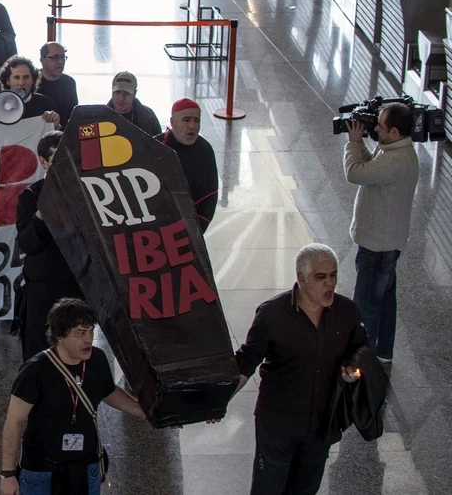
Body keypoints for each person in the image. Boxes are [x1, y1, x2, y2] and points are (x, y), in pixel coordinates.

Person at [234, 243, 368, 495]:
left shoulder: (347, 312)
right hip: (278, 424)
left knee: (306, 489)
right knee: (268, 488)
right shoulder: (272, 315)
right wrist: (217, 401)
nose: (329, 284)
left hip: (322, 423)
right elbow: (246, 361)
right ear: (301, 278)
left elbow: (361, 348)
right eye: (321, 277)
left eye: (333, 275)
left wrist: (354, 366)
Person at [0, 298, 146, 495]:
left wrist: (146, 412)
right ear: (60, 335)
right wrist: (7, 475)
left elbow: (107, 391)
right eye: (80, 333)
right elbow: (14, 422)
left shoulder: (98, 359)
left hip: (86, 466)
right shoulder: (35, 370)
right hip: (41, 470)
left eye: (91, 331)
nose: (89, 339)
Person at [344, 101, 419, 365]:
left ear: (395, 132)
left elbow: (355, 173)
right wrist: (362, 146)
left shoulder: (395, 160)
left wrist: (353, 143)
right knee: (385, 301)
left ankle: (359, 362)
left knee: (366, 305)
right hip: (388, 242)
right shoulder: (395, 151)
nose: (375, 128)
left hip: (377, 246)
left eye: (380, 125)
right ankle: (382, 353)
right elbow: (372, 168)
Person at [15, 132, 84, 360]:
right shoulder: (31, 196)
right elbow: (26, 243)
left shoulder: (84, 192)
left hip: (76, 285)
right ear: (43, 162)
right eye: (56, 159)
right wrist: (40, 217)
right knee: (41, 354)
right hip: (43, 290)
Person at [160, 98, 219, 232]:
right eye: (186, 120)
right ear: (173, 122)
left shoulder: (205, 151)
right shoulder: (156, 146)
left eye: (196, 120)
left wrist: (197, 232)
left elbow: (210, 195)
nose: (192, 126)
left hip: (190, 227)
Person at [0, 56, 60, 126]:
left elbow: (53, 135)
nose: (21, 83)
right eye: (16, 77)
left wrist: (56, 126)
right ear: (8, 81)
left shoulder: (46, 103)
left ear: (33, 80)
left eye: (26, 77)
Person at [107, 71, 161, 136]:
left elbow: (159, 144)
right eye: (117, 92)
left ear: (135, 93)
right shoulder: (100, 117)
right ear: (112, 91)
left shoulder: (148, 117)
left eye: (126, 93)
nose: (121, 98)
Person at [37, 41, 78, 123]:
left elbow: (74, 115)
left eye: (63, 57)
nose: (61, 62)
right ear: (42, 60)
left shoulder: (69, 82)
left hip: (64, 133)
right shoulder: (32, 81)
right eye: (55, 58)